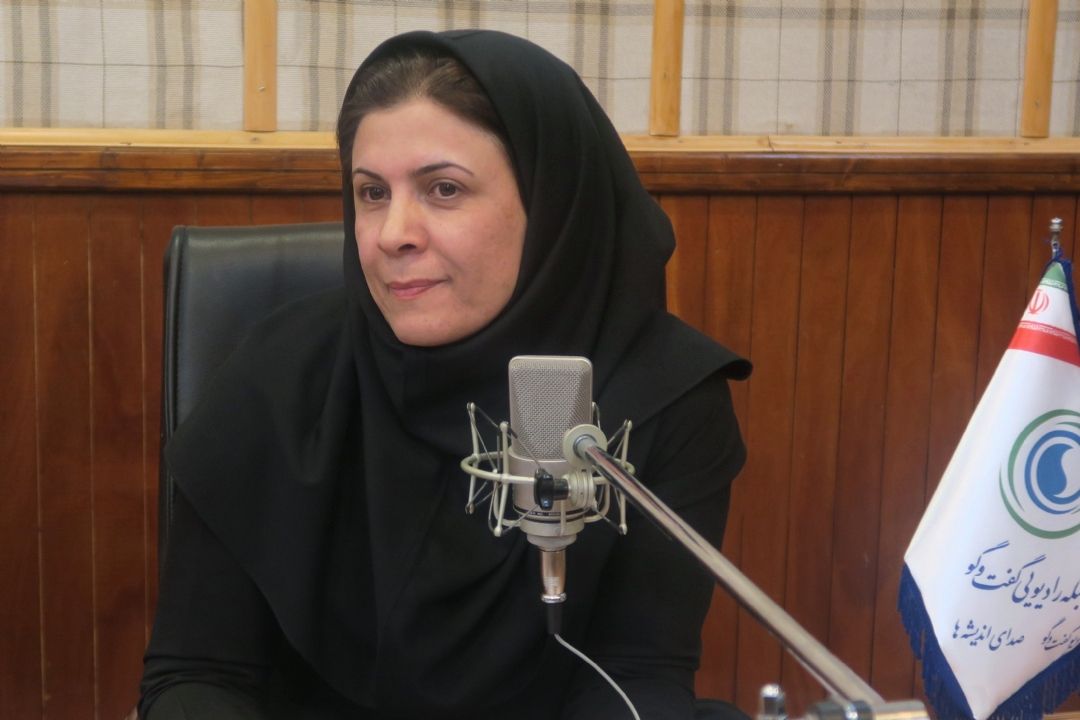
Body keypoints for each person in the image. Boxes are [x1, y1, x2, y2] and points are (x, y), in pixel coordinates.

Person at [139, 29, 750, 719]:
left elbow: (636, 677)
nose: (392, 233)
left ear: (550, 201)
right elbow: (197, 674)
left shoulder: (664, 396)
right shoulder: (276, 378)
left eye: (444, 188)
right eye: (372, 193)